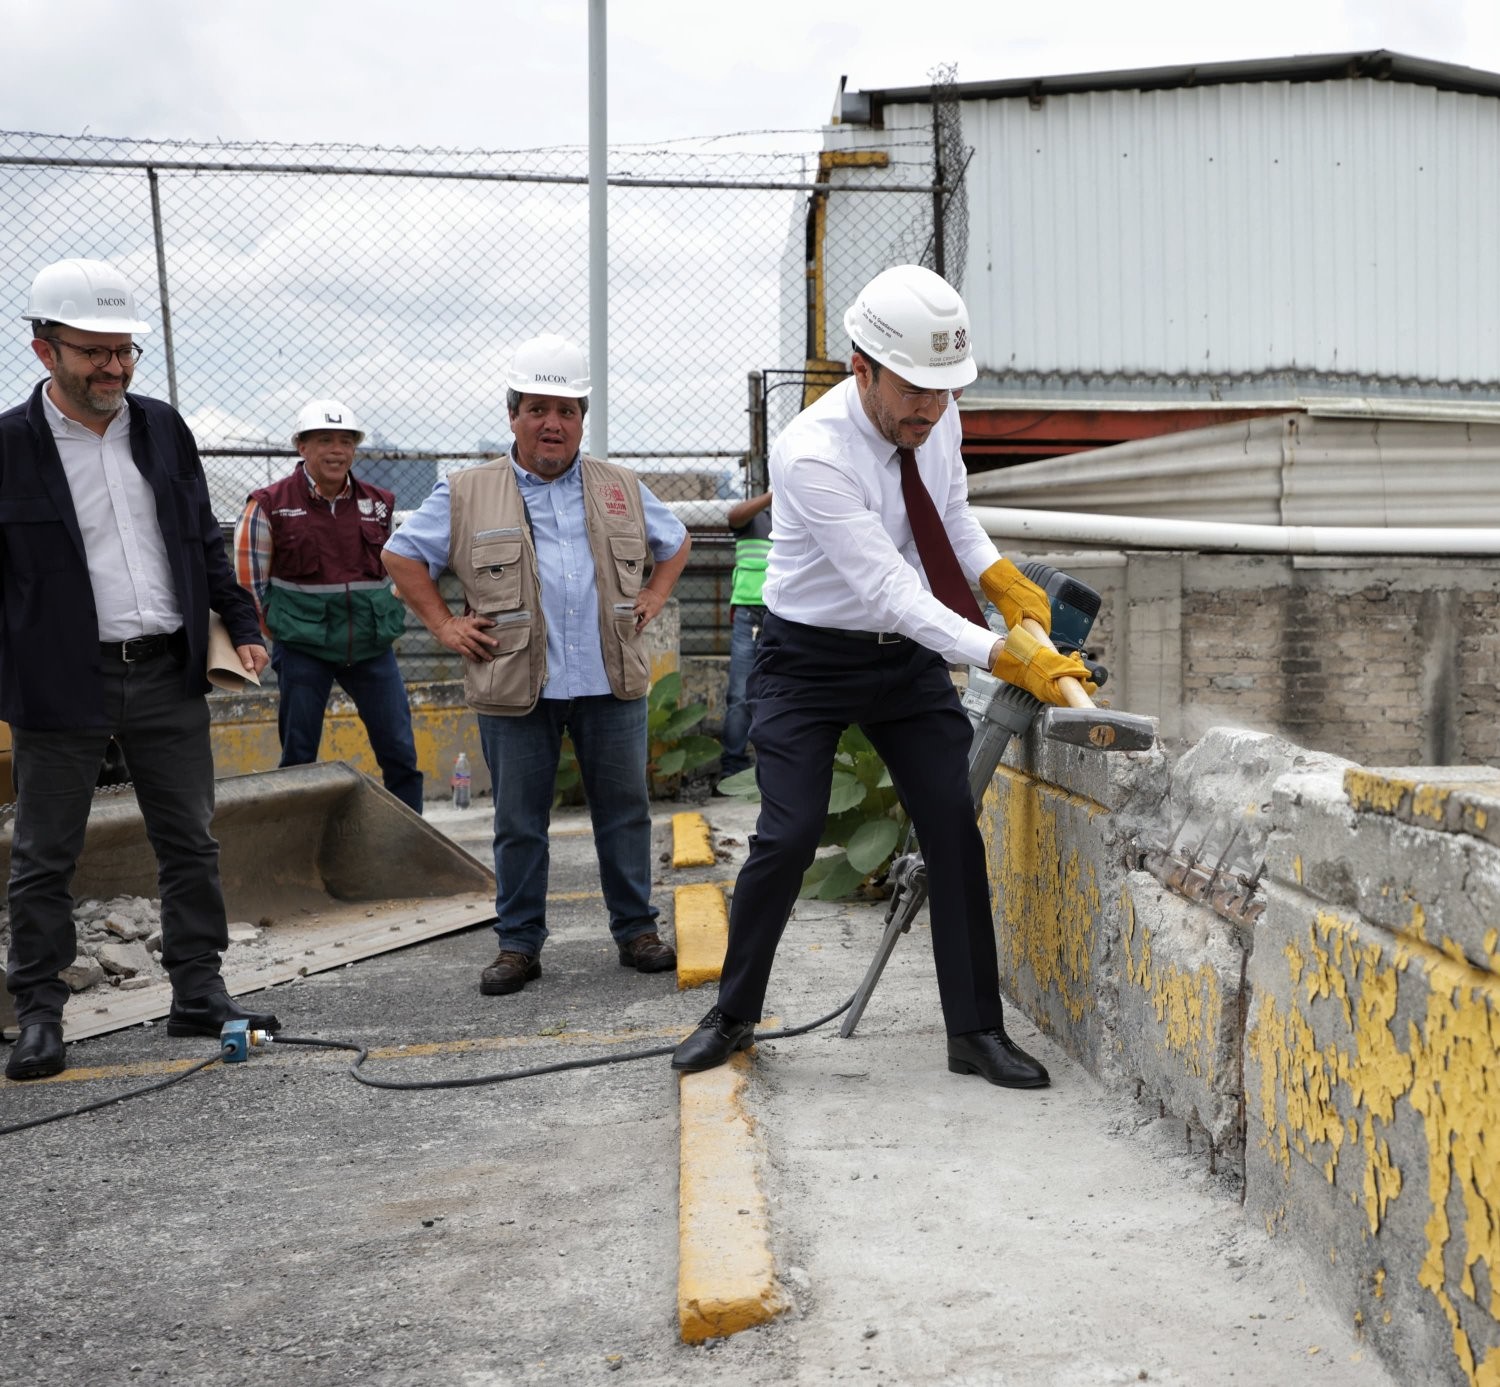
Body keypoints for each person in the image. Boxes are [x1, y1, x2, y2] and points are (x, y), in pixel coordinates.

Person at [671, 264, 1094, 1088]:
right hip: (808, 659)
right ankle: (732, 1014)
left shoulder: (938, 417)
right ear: (860, 366)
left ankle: (974, 1032)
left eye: (945, 392)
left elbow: (951, 516)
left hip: (900, 666)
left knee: (951, 822)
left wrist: (1001, 579)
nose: (931, 410)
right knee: (787, 836)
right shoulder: (811, 454)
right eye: (914, 391)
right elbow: (890, 589)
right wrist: (1004, 651)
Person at [1, 257, 276, 1082]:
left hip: (165, 670)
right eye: (95, 352)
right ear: (45, 349)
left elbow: (199, 534)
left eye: (124, 351)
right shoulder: (9, 446)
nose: (113, 367)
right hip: (59, 681)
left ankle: (198, 991)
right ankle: (39, 1015)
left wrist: (241, 620)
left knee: (190, 840)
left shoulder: (162, 428)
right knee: (45, 853)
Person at [382, 334, 692, 995]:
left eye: (568, 410)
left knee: (626, 811)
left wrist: (656, 595)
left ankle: (636, 929)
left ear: (583, 418)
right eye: (538, 409)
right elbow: (402, 555)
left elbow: (676, 542)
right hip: (516, 681)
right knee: (519, 821)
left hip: (610, 679)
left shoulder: (621, 487)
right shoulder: (467, 491)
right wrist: (443, 623)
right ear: (513, 414)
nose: (553, 423)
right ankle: (518, 944)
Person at [232, 400, 422, 813]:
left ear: (355, 448)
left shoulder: (381, 503)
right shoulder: (268, 504)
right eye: (324, 441)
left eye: (345, 441)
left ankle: (409, 845)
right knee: (298, 757)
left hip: (371, 650)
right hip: (304, 650)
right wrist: (281, 631)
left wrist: (384, 614)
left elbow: (400, 571)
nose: (337, 450)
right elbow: (249, 586)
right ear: (301, 446)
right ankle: (296, 843)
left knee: (401, 754)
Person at [717, 489, 772, 784]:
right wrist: (771, 497)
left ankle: (773, 770)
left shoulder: (801, 516)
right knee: (740, 695)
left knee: (781, 695)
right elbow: (734, 516)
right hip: (749, 616)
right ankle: (733, 768)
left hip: (785, 617)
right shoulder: (755, 517)